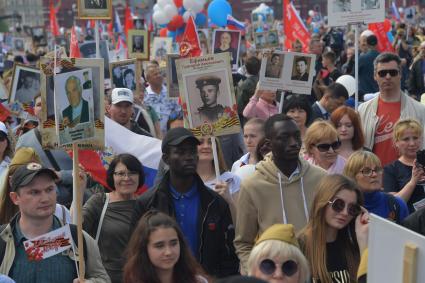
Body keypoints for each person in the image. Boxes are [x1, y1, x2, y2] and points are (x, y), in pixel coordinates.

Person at [131, 127, 239, 278]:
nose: (189, 157)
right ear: (166, 158)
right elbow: (137, 253)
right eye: (180, 152)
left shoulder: (215, 202)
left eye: (192, 151)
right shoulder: (148, 203)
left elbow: (229, 256)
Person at [234, 114, 327, 274]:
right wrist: (256, 274)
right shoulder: (252, 185)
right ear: (269, 144)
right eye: (284, 138)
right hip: (276, 275)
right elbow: (243, 242)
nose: (293, 143)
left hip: (319, 271)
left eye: (296, 136)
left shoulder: (321, 178)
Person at [0, 162, 110, 282]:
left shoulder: (78, 237)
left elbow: (103, 278)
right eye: (34, 192)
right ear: (15, 198)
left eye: (49, 189)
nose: (45, 199)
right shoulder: (2, 240)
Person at [83, 154, 144, 283]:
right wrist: (78, 190)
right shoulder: (100, 201)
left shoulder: (147, 204)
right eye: (121, 173)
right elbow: (76, 229)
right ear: (112, 176)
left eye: (132, 173)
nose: (126, 178)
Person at [358, 52, 425, 167]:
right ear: (375, 76)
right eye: (382, 73)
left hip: (408, 179)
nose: (388, 77)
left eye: (393, 73)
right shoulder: (363, 110)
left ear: (400, 74)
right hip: (373, 178)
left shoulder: (419, 110)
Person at [298, 174, 368, 283]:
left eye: (352, 208)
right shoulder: (298, 246)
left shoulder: (354, 247)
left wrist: (364, 242)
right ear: (322, 202)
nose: (345, 213)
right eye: (338, 204)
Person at [16, 94, 75, 207]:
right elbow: (20, 174)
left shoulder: (74, 134)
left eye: (48, 104)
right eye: (39, 105)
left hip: (78, 202)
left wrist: (61, 176)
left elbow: (89, 172)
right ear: (34, 110)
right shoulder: (24, 141)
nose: (43, 107)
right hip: (44, 205)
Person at [123, 211, 208, 283]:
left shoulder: (197, 281)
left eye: (173, 243)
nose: (168, 252)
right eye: (159, 246)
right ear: (144, 248)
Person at [343, 151, 409, 224]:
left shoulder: (397, 204)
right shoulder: (344, 208)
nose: (374, 174)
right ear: (352, 176)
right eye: (366, 171)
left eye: (377, 169)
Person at [383, 118, 425, 213]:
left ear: (421, 139)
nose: (412, 143)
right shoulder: (390, 169)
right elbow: (393, 205)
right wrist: (413, 181)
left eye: (415, 138)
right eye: (406, 139)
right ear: (397, 142)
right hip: (409, 223)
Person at [197, 136, 240, 224]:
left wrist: (229, 200)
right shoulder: (185, 182)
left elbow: (242, 224)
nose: (206, 146)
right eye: (200, 142)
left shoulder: (232, 179)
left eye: (210, 142)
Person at [144, 63, 181, 136]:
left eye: (160, 73)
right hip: (151, 135)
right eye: (155, 74)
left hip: (170, 134)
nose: (159, 76)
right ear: (148, 79)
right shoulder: (144, 95)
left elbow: (178, 111)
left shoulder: (171, 92)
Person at [237, 56, 261, 123]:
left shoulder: (245, 84)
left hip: (248, 117)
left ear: (246, 68)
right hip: (261, 114)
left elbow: (239, 105)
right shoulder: (263, 81)